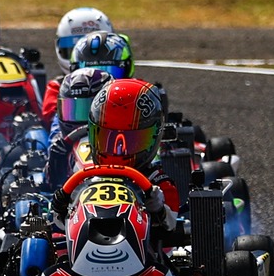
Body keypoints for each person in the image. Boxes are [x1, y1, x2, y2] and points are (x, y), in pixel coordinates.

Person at [48, 77, 184, 237]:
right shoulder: (82, 174)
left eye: (133, 141)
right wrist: (59, 204)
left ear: (154, 138)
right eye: (108, 139)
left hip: (142, 255)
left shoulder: (157, 183)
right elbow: (59, 222)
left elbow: (171, 224)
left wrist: (158, 207)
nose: (119, 150)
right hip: (82, 246)